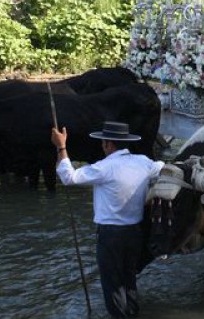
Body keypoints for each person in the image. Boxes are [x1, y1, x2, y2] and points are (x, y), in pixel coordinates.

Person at [50, 121, 164, 318]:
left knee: (112, 285)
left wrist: (62, 147)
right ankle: (132, 314)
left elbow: (68, 177)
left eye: (103, 142)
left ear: (108, 144)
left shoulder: (104, 167)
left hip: (111, 235)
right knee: (129, 280)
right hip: (135, 233)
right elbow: (161, 167)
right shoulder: (144, 163)